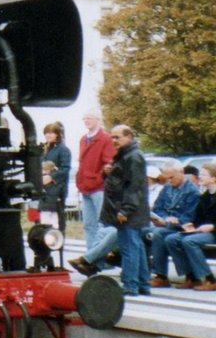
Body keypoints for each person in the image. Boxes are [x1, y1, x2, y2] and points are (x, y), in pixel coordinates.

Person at [101, 124, 150, 296]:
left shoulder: (133, 156)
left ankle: (130, 284)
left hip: (128, 210)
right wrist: (107, 172)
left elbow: (135, 187)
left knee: (129, 247)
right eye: (112, 137)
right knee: (137, 246)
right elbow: (120, 181)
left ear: (129, 136)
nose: (114, 140)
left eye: (117, 137)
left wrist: (125, 210)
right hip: (130, 209)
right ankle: (143, 283)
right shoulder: (125, 155)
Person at [147, 159, 200, 287]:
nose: (169, 181)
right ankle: (141, 271)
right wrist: (164, 218)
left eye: (171, 177)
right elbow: (157, 208)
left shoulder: (192, 191)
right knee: (138, 231)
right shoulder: (167, 188)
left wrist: (172, 221)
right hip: (165, 223)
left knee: (160, 234)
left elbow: (189, 216)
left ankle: (161, 275)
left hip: (182, 226)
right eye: (167, 178)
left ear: (181, 172)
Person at [164, 163, 216, 290]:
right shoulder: (205, 196)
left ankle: (209, 279)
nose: (200, 177)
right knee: (171, 239)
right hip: (203, 232)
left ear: (213, 178)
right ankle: (191, 276)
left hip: (213, 232)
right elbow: (199, 218)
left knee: (189, 241)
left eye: (204, 174)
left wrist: (213, 227)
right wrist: (192, 225)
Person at [77, 111, 116, 252]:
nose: (86, 121)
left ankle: (100, 254)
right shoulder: (83, 139)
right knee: (88, 224)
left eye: (89, 118)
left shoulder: (105, 138)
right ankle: (90, 254)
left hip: (98, 187)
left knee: (102, 224)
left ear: (97, 120)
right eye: (84, 118)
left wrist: (99, 178)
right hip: (85, 187)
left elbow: (109, 162)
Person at [41, 121, 71, 228]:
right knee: (43, 218)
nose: (48, 135)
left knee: (57, 219)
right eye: (46, 133)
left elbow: (65, 169)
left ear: (57, 134)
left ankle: (58, 237)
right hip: (44, 189)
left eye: (51, 133)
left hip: (57, 189)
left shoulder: (63, 149)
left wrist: (51, 177)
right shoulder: (44, 149)